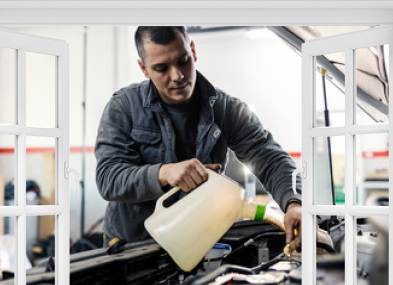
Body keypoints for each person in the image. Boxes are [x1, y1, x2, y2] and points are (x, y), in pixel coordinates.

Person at [95, 26, 302, 249]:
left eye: (183, 60)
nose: (177, 76)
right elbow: (109, 178)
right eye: (162, 68)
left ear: (192, 51)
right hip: (133, 250)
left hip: (196, 244)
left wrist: (294, 202)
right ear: (144, 69)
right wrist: (165, 173)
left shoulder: (226, 110)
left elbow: (270, 158)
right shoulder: (124, 107)